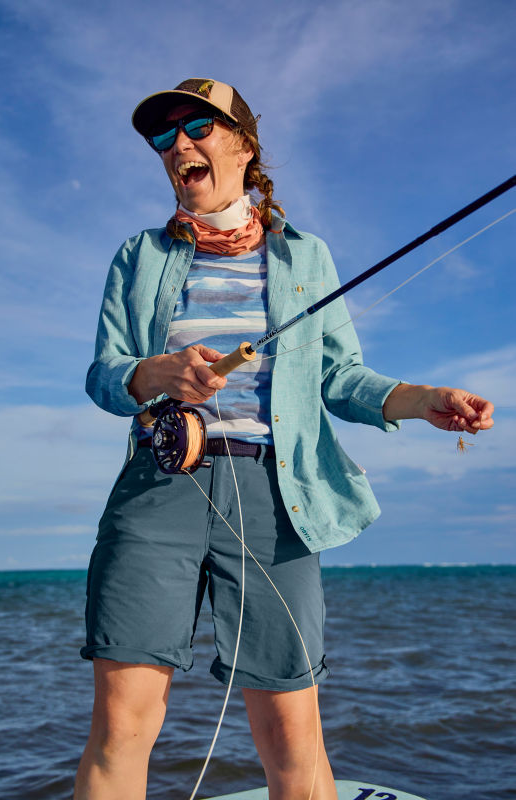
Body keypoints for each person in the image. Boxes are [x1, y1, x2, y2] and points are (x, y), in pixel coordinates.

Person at [74, 79, 494, 800]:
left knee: (291, 735)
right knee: (121, 726)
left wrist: (425, 401)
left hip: (277, 494)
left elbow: (342, 376)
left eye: (198, 128)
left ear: (244, 143)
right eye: (163, 137)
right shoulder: (137, 255)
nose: (179, 145)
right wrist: (158, 372)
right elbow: (106, 375)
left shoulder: (306, 258)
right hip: (156, 488)